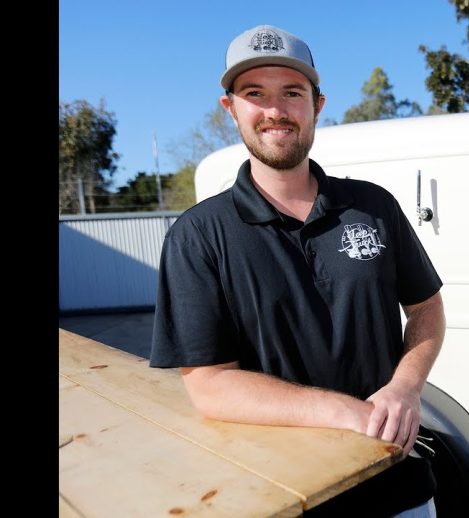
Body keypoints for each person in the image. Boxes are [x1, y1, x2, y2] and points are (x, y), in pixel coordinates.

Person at [150, 24, 445, 517]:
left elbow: (427, 308)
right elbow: (208, 383)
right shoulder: (198, 235)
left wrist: (405, 387)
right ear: (230, 109)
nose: (275, 110)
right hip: (280, 498)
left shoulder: (373, 207)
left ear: (317, 105)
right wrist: (340, 409)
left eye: (291, 92)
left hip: (398, 491)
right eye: (254, 94)